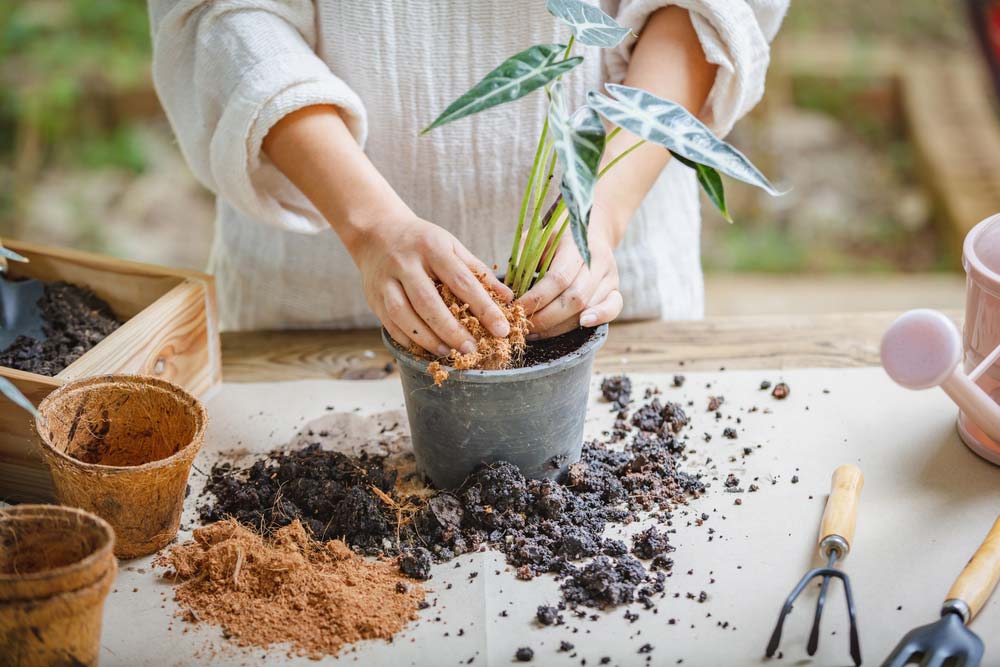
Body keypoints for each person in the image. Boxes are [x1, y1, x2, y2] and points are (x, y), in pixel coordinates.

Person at [149, 1, 787, 355]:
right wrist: (370, 224)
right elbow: (225, 17)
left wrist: (602, 212)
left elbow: (704, 9)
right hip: (315, 296)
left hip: (603, 294)